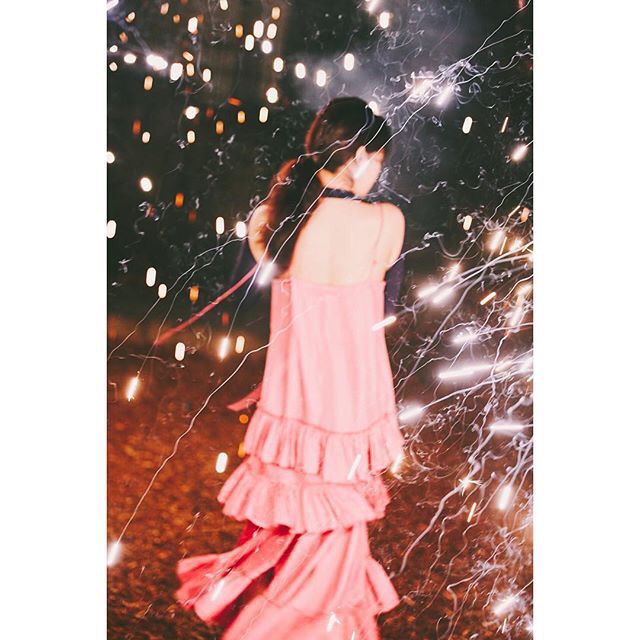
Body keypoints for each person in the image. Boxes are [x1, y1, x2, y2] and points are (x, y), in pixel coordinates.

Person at [176, 97, 406, 639]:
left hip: (289, 406)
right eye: (378, 159)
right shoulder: (385, 221)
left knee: (286, 532)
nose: (379, 172)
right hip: (351, 408)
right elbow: (389, 307)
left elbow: (244, 292)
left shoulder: (274, 218)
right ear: (360, 157)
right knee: (333, 547)